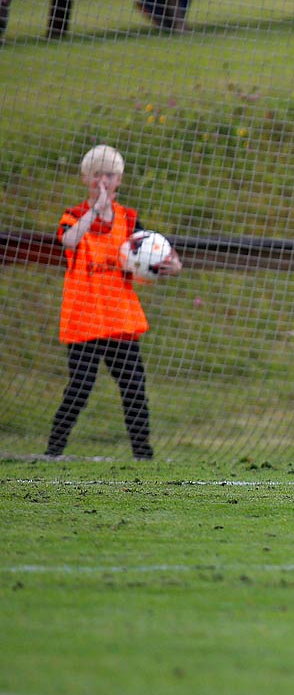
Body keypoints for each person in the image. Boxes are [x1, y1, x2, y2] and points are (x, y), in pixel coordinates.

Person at [46, 144, 182, 462]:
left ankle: (143, 455)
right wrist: (96, 210)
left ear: (119, 179)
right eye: (96, 175)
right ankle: (53, 451)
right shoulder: (74, 216)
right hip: (84, 319)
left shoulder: (128, 219)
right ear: (85, 179)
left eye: (109, 175)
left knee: (134, 388)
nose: (103, 181)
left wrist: (171, 266)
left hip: (120, 320)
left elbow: (155, 255)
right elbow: (68, 240)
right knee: (79, 388)